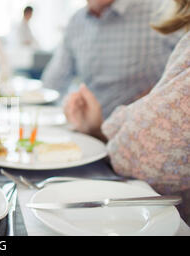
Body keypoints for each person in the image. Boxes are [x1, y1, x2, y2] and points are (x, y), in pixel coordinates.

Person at [64, 0, 190, 224]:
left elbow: (145, 148)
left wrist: (151, 103)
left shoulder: (156, 10)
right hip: (99, 141)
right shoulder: (76, 21)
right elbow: (54, 81)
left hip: (129, 163)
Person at [41, 0, 181, 118]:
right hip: (87, 134)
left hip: (142, 132)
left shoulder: (161, 11)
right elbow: (52, 84)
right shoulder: (76, 21)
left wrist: (161, 94)